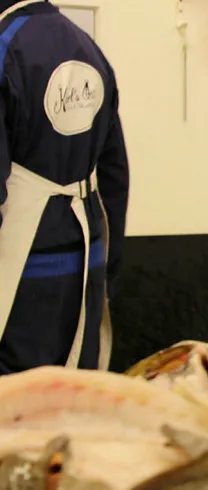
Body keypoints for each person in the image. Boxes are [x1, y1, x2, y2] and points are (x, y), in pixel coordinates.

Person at [0, 0, 129, 374]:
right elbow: (114, 172)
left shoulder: (6, 48)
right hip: (85, 259)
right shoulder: (88, 48)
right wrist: (109, 264)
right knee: (74, 404)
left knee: (17, 413)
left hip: (21, 267)